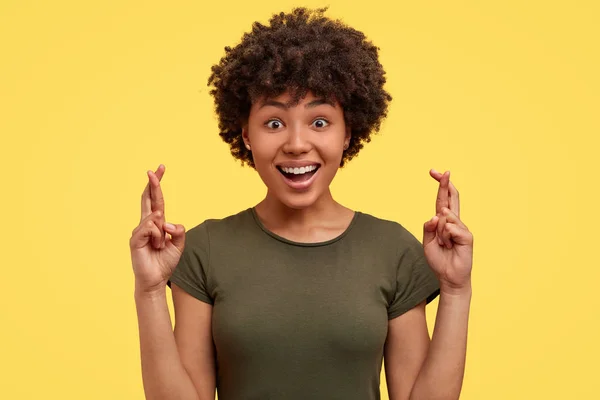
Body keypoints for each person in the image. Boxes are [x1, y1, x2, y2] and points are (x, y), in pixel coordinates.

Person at [129, 7, 473, 400]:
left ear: (348, 133)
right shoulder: (203, 249)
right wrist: (150, 291)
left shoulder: (394, 250)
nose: (295, 144)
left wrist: (455, 289)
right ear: (245, 135)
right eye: (274, 123)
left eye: (320, 121)